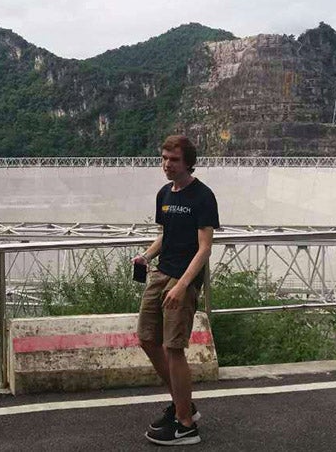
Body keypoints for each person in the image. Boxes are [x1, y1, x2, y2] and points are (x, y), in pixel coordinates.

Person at [133, 135, 219, 446]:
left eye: (174, 160)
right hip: (161, 272)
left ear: (188, 162)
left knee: (173, 348)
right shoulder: (164, 194)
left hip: (184, 279)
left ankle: (185, 425)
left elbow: (205, 248)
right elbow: (165, 235)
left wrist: (183, 285)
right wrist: (146, 255)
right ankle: (184, 404)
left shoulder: (203, 196)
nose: (167, 165)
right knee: (146, 338)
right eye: (164, 158)